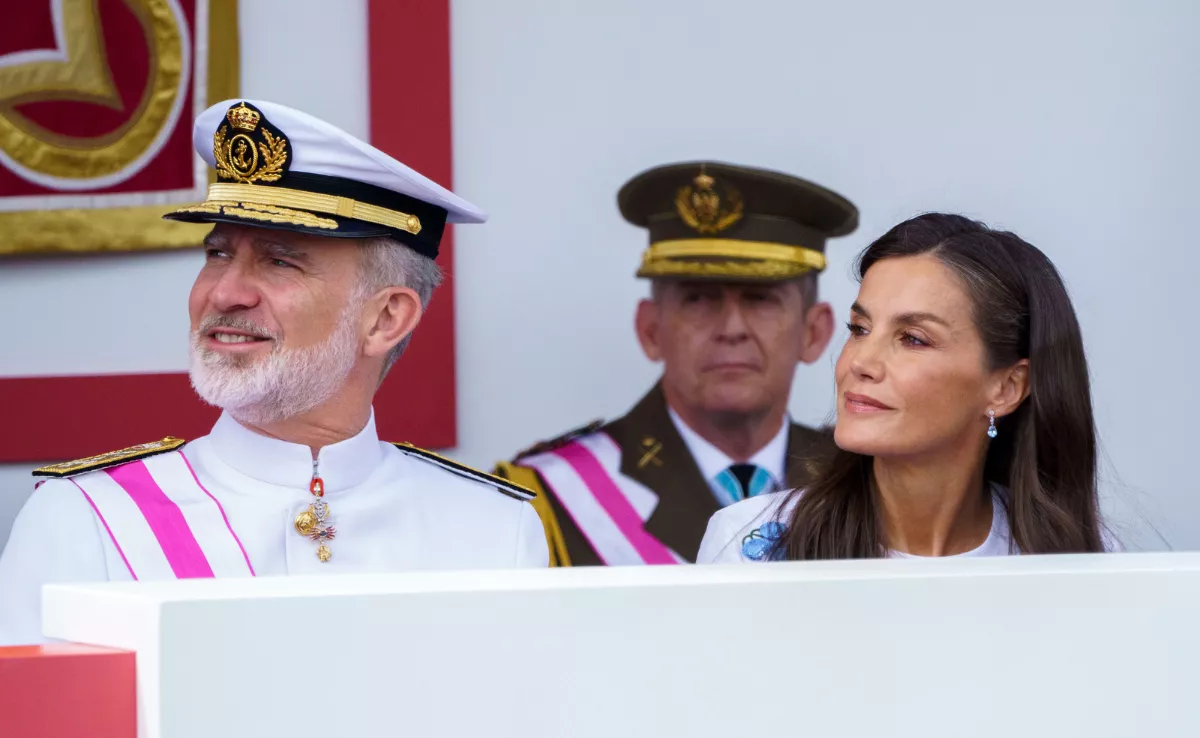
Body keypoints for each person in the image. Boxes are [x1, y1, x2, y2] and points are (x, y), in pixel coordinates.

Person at [0, 99, 548, 646]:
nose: (223, 292)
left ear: (386, 317)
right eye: (217, 253)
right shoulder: (89, 518)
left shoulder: (494, 530)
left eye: (280, 260)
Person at [494, 162, 859, 565]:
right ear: (651, 330)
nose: (731, 328)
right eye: (699, 299)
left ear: (814, 333)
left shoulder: (864, 476)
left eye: (761, 299)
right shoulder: (545, 497)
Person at [697, 212, 1113, 563]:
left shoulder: (1074, 557)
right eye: (859, 329)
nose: (859, 363)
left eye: (913, 338)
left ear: (1006, 387)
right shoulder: (750, 547)